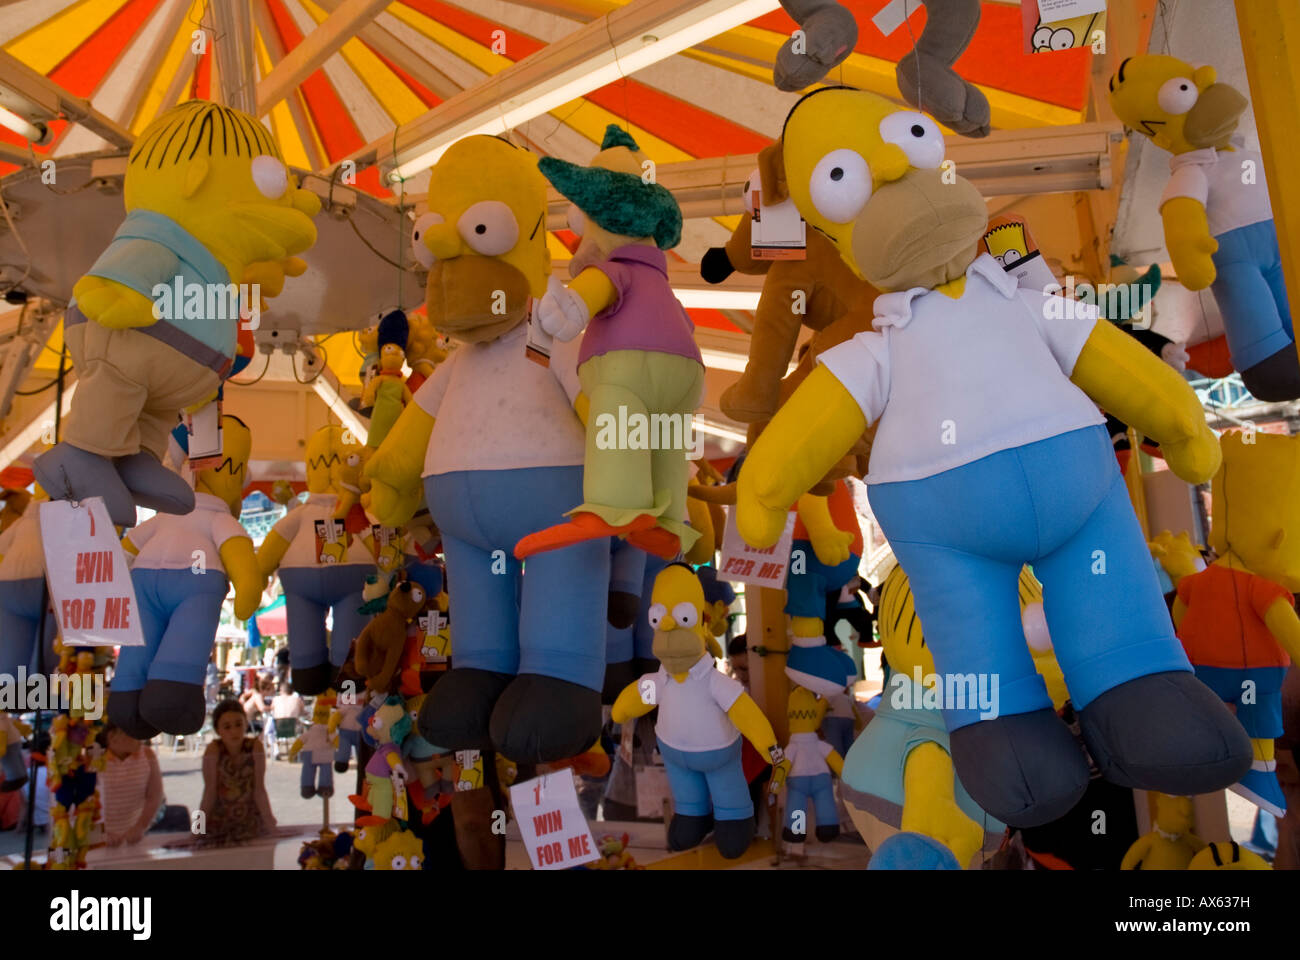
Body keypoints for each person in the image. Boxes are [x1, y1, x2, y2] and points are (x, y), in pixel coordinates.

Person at [199, 700, 276, 845]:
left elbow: (259, 789)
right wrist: (197, 830)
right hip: (218, 826)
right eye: (227, 727)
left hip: (251, 824)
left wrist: (271, 823)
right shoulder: (213, 750)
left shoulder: (255, 747)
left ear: (246, 724)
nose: (234, 731)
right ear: (218, 730)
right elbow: (208, 793)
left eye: (238, 724)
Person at [99, 722, 163, 847]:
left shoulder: (148, 755)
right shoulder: (93, 759)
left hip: (134, 839)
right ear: (112, 737)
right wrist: (99, 834)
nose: (140, 739)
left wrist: (140, 827)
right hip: (97, 841)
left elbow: (154, 796)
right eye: (134, 734)